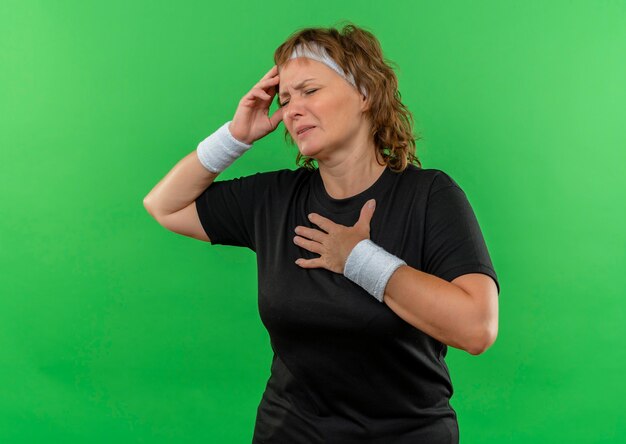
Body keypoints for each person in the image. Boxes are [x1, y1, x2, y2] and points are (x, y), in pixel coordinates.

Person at [143, 22, 500, 444]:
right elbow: (165, 205)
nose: (292, 109)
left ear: (365, 93)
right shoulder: (276, 197)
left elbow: (477, 328)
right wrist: (235, 137)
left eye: (310, 91)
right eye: (286, 97)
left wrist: (360, 260)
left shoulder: (428, 196)